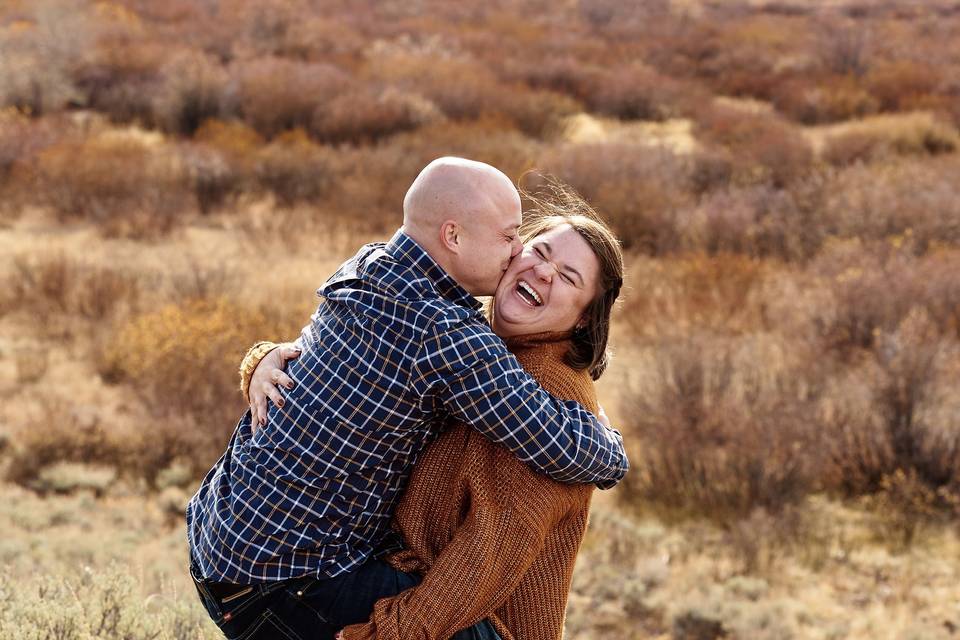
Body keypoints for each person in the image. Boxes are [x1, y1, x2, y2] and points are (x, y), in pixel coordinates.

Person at [186, 157, 628, 640]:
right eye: (514, 238)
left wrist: (265, 358)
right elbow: (578, 452)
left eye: (567, 277)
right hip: (284, 577)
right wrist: (609, 441)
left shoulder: (371, 264)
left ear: (587, 314)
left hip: (218, 538)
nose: (522, 254)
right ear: (454, 237)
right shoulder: (448, 335)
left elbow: (326, 365)